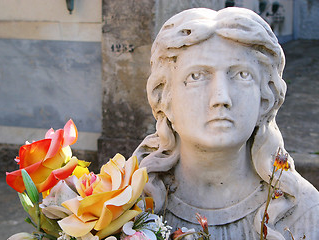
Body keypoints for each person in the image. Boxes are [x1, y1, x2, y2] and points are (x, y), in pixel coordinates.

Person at [133, 7, 319, 240]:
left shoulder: (305, 214)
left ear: (265, 98)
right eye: (196, 76)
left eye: (242, 75)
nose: (221, 98)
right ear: (165, 97)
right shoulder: (119, 205)